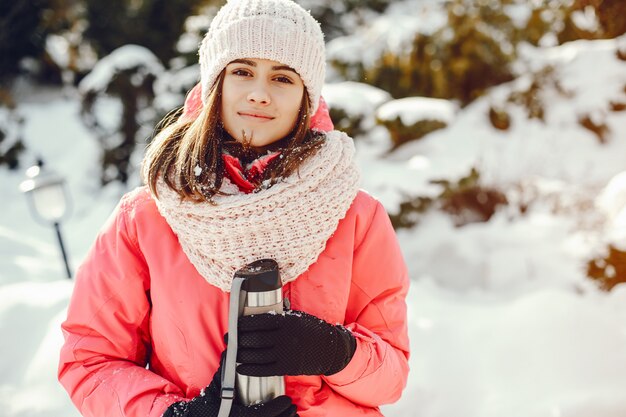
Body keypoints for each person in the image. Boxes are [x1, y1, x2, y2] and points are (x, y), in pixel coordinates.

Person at [58, 0, 410, 416]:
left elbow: (391, 376)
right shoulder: (147, 218)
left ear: (306, 99)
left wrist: (335, 351)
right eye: (242, 71)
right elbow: (90, 360)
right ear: (214, 85)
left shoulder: (356, 218)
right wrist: (179, 415)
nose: (259, 94)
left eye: (283, 78)